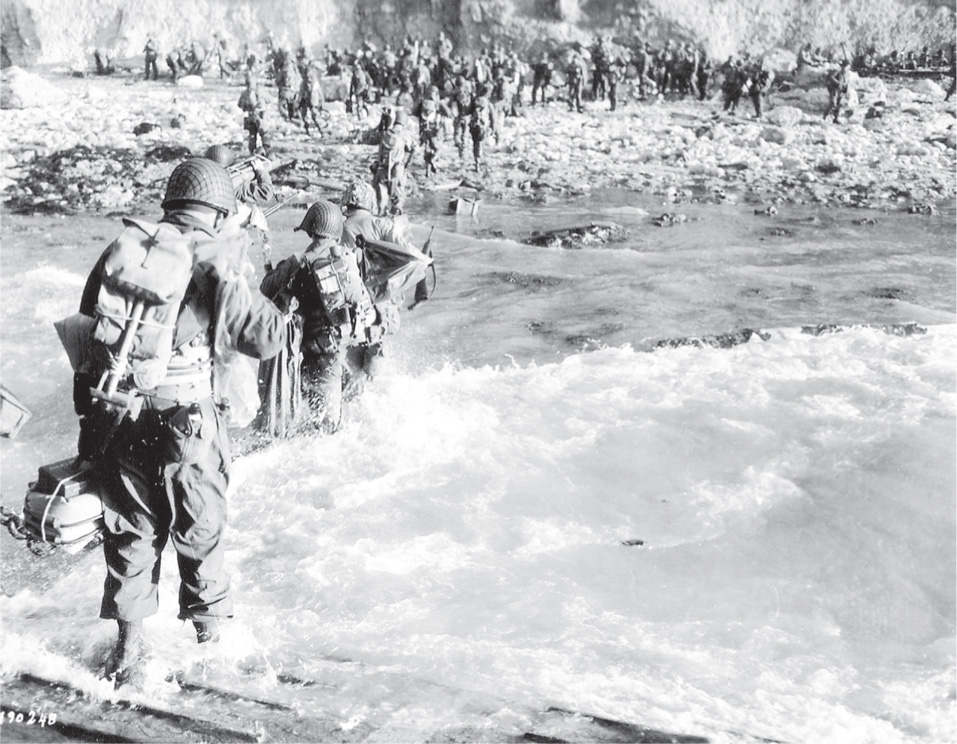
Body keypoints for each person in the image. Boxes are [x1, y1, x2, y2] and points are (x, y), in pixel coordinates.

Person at [73, 158, 286, 686]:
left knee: (131, 530)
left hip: (120, 413)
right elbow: (265, 340)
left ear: (171, 203)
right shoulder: (218, 253)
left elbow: (83, 336)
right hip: (187, 419)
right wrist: (245, 270)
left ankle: (128, 651)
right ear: (218, 212)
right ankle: (212, 655)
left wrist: (90, 427)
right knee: (201, 529)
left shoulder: (128, 249)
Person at [259, 201, 393, 432]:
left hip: (317, 353)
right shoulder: (349, 257)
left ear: (311, 229)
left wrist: (280, 269)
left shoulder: (300, 262)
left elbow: (267, 291)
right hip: (351, 348)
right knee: (345, 415)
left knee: (323, 425)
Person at [238, 77, 270, 155]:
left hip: (251, 115)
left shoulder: (245, 93)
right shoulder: (260, 91)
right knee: (264, 133)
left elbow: (240, 105)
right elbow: (269, 100)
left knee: (252, 135)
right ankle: (266, 149)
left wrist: (246, 107)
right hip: (260, 115)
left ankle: (252, 151)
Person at [823, 59, 849, 123]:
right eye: (844, 66)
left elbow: (846, 83)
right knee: (832, 104)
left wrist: (845, 90)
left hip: (840, 91)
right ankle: (824, 117)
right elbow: (831, 77)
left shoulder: (846, 74)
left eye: (846, 66)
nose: (845, 68)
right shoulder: (837, 71)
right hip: (834, 89)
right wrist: (838, 82)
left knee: (839, 105)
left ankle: (835, 119)